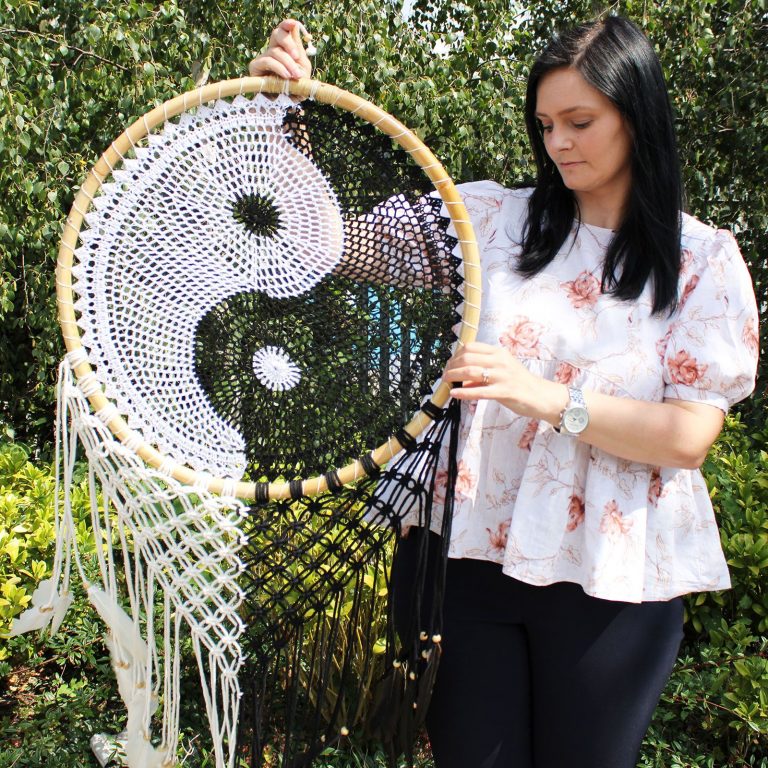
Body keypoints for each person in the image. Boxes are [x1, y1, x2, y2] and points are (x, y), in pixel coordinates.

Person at [249, 15, 760, 768]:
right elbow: (322, 247)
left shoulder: (701, 261)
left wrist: (544, 397)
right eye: (546, 125)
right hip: (457, 556)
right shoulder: (489, 220)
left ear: (637, 116)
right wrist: (286, 120)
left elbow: (687, 438)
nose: (558, 144)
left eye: (580, 122)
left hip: (611, 575)